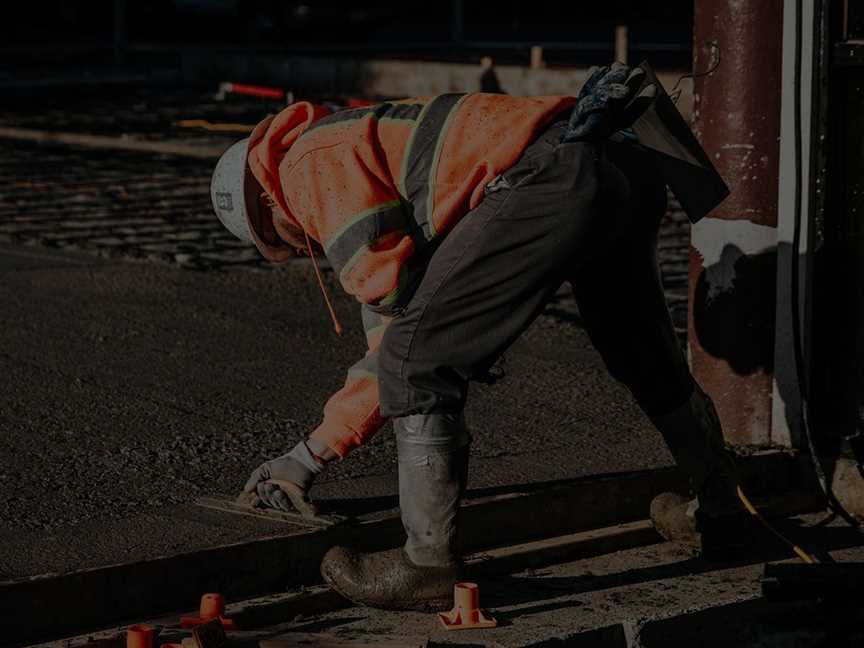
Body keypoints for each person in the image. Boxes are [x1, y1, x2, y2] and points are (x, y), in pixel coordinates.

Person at [209, 63, 746, 611]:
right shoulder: (355, 144)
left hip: (552, 172)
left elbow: (398, 343)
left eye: (282, 241)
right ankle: (723, 509)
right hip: (617, 160)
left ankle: (426, 564)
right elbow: (400, 314)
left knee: (417, 363)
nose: (303, 249)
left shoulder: (308, 169)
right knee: (642, 352)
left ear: (266, 203)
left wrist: (306, 457)